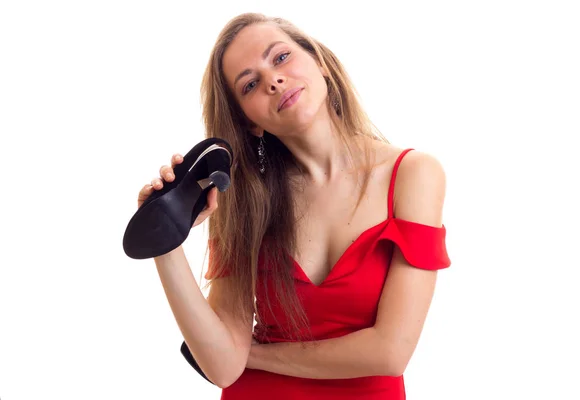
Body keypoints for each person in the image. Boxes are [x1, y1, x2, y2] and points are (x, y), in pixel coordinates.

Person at [137, 12, 451, 400]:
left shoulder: (414, 174)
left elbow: (390, 352)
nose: (272, 80)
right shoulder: (245, 200)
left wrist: (251, 355)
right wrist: (167, 244)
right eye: (250, 84)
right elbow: (221, 366)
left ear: (318, 60)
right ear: (250, 121)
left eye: (281, 58)